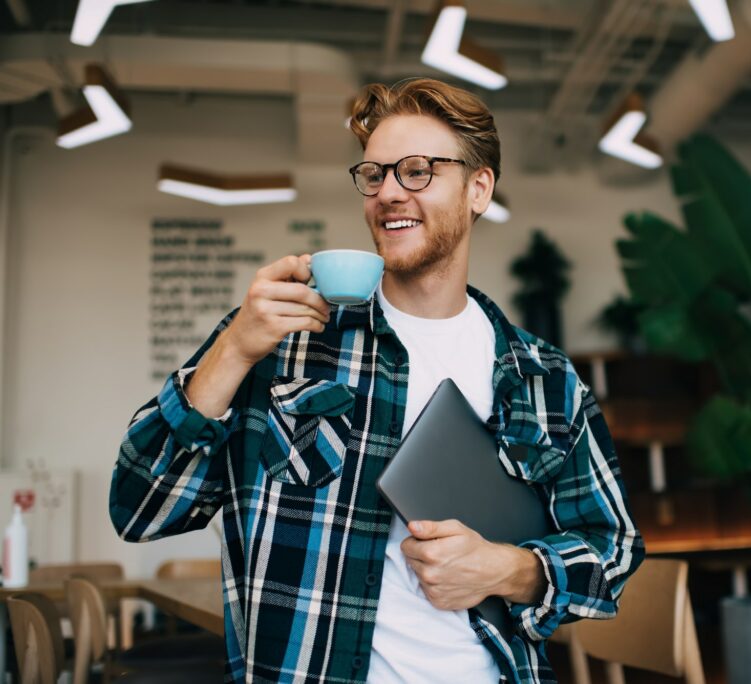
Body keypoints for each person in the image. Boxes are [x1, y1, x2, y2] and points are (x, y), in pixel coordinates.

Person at [110, 77, 644, 683]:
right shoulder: (280, 338)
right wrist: (232, 350)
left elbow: (613, 549)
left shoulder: (546, 378)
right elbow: (138, 509)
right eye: (374, 174)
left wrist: (505, 570)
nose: (388, 192)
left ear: (478, 188)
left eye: (417, 171)